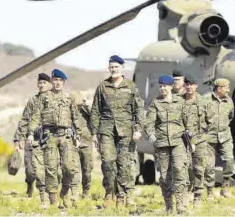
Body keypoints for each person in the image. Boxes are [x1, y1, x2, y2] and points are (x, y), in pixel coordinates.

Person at [90, 55, 144, 207]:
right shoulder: (102, 86)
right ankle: (109, 192)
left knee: (124, 164)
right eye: (111, 67)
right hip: (106, 129)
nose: (114, 70)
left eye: (116, 67)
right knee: (107, 162)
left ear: (122, 68)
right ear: (109, 68)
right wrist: (94, 133)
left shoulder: (131, 86)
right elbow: (95, 110)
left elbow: (138, 109)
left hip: (126, 131)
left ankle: (124, 195)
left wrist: (138, 129)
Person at [27, 69, 85, 208]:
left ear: (63, 82)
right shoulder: (44, 97)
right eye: (55, 80)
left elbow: (75, 117)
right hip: (49, 136)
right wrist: (30, 133)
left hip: (66, 136)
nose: (57, 83)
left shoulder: (69, 98)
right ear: (52, 82)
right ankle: (53, 198)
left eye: (60, 81)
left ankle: (65, 191)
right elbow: (36, 116)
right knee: (51, 168)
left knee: (68, 167)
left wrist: (78, 135)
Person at [145, 75, 189, 214]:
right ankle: (169, 205)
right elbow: (149, 122)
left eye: (165, 86)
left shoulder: (180, 102)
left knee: (179, 170)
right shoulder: (155, 103)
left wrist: (190, 136)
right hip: (162, 142)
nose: (162, 88)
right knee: (164, 176)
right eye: (161, 86)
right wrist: (151, 133)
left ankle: (181, 205)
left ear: (171, 87)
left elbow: (187, 121)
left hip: (178, 142)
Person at [13, 73, 53, 207]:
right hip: (32, 138)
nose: (42, 85)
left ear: (50, 84)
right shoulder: (33, 101)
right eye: (40, 83)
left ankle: (49, 194)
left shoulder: (54, 99)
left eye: (44, 83)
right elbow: (24, 119)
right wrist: (19, 138)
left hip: (49, 137)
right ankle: (30, 184)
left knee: (50, 167)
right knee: (31, 169)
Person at [201, 78, 235, 198]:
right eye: (226, 87)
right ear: (219, 89)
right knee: (209, 165)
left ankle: (225, 187)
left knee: (229, 160)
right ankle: (210, 190)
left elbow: (230, 117)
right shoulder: (205, 99)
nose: (228, 90)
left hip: (225, 136)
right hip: (208, 137)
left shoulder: (229, 101)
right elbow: (200, 118)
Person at [182, 75, 212, 205]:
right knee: (184, 167)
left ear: (196, 86)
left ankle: (198, 196)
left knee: (199, 168)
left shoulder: (204, 102)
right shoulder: (179, 101)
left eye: (191, 84)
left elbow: (211, 122)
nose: (189, 87)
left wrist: (201, 137)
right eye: (187, 84)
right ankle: (186, 192)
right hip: (182, 141)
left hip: (200, 140)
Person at [71, 90, 94, 199]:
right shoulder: (69, 111)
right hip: (73, 143)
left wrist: (85, 104)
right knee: (73, 169)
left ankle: (86, 192)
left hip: (86, 142)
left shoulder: (86, 110)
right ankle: (74, 192)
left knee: (87, 169)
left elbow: (94, 116)